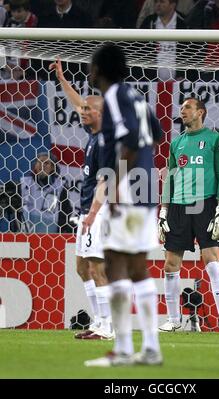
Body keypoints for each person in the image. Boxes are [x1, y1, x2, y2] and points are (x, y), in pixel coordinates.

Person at [83, 43, 163, 367]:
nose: (89, 71)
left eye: (91, 66)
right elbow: (155, 135)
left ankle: (124, 349)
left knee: (114, 263)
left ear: (99, 70)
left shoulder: (114, 95)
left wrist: (115, 187)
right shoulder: (138, 97)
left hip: (129, 191)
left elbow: (130, 139)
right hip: (146, 187)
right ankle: (151, 348)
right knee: (138, 267)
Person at [49, 59, 114, 340]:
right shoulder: (94, 133)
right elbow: (78, 103)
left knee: (97, 268)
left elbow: (106, 181)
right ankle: (99, 322)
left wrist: (92, 214)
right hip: (88, 210)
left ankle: (108, 327)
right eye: (83, 108)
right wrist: (63, 80)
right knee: (81, 267)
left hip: (98, 212)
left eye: (88, 109)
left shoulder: (107, 142)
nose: (82, 112)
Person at [158, 97, 219, 334]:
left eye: (187, 108)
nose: (183, 111)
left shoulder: (216, 140)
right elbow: (170, 176)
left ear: (201, 112)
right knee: (170, 264)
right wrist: (163, 210)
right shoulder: (176, 142)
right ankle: (173, 319)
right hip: (178, 207)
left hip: (206, 204)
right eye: (181, 109)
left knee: (211, 260)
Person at [20, 151, 74, 233]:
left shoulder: (60, 186)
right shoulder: (24, 183)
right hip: (26, 233)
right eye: (40, 162)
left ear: (53, 167)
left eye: (46, 163)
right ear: (35, 166)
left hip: (51, 235)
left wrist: (60, 231)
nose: (43, 165)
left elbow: (66, 210)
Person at [135, 0, 187, 81]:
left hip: (179, 82)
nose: (158, 4)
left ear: (172, 5)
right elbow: (139, 51)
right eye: (156, 2)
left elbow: (191, 53)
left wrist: (183, 75)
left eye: (162, 2)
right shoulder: (148, 22)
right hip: (152, 82)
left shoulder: (184, 23)